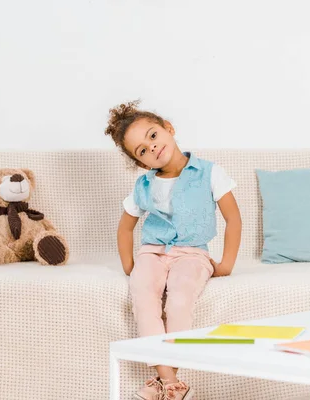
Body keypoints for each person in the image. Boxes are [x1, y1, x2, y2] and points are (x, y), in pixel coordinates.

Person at [104, 100, 242, 400]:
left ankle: (163, 382)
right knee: (142, 298)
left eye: (153, 136)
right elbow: (125, 227)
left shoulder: (209, 172)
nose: (151, 148)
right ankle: (173, 384)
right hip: (152, 252)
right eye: (142, 151)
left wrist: (227, 262)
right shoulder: (143, 185)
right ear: (142, 163)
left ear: (169, 129)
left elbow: (233, 217)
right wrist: (130, 264)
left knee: (179, 300)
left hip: (193, 253)